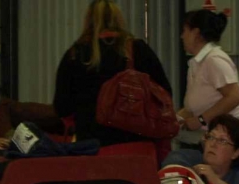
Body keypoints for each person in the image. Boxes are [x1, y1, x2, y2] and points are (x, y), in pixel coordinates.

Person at [52, 0, 172, 147]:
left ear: (88, 21)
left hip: (90, 145)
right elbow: (164, 94)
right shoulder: (138, 50)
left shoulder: (75, 54)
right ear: (119, 19)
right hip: (136, 143)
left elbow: (61, 107)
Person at [177, 10, 239, 148]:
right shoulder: (197, 63)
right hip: (206, 136)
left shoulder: (214, 60)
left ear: (195, 33)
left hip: (224, 137)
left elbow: (234, 97)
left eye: (184, 31)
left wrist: (201, 120)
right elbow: (195, 105)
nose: (182, 36)